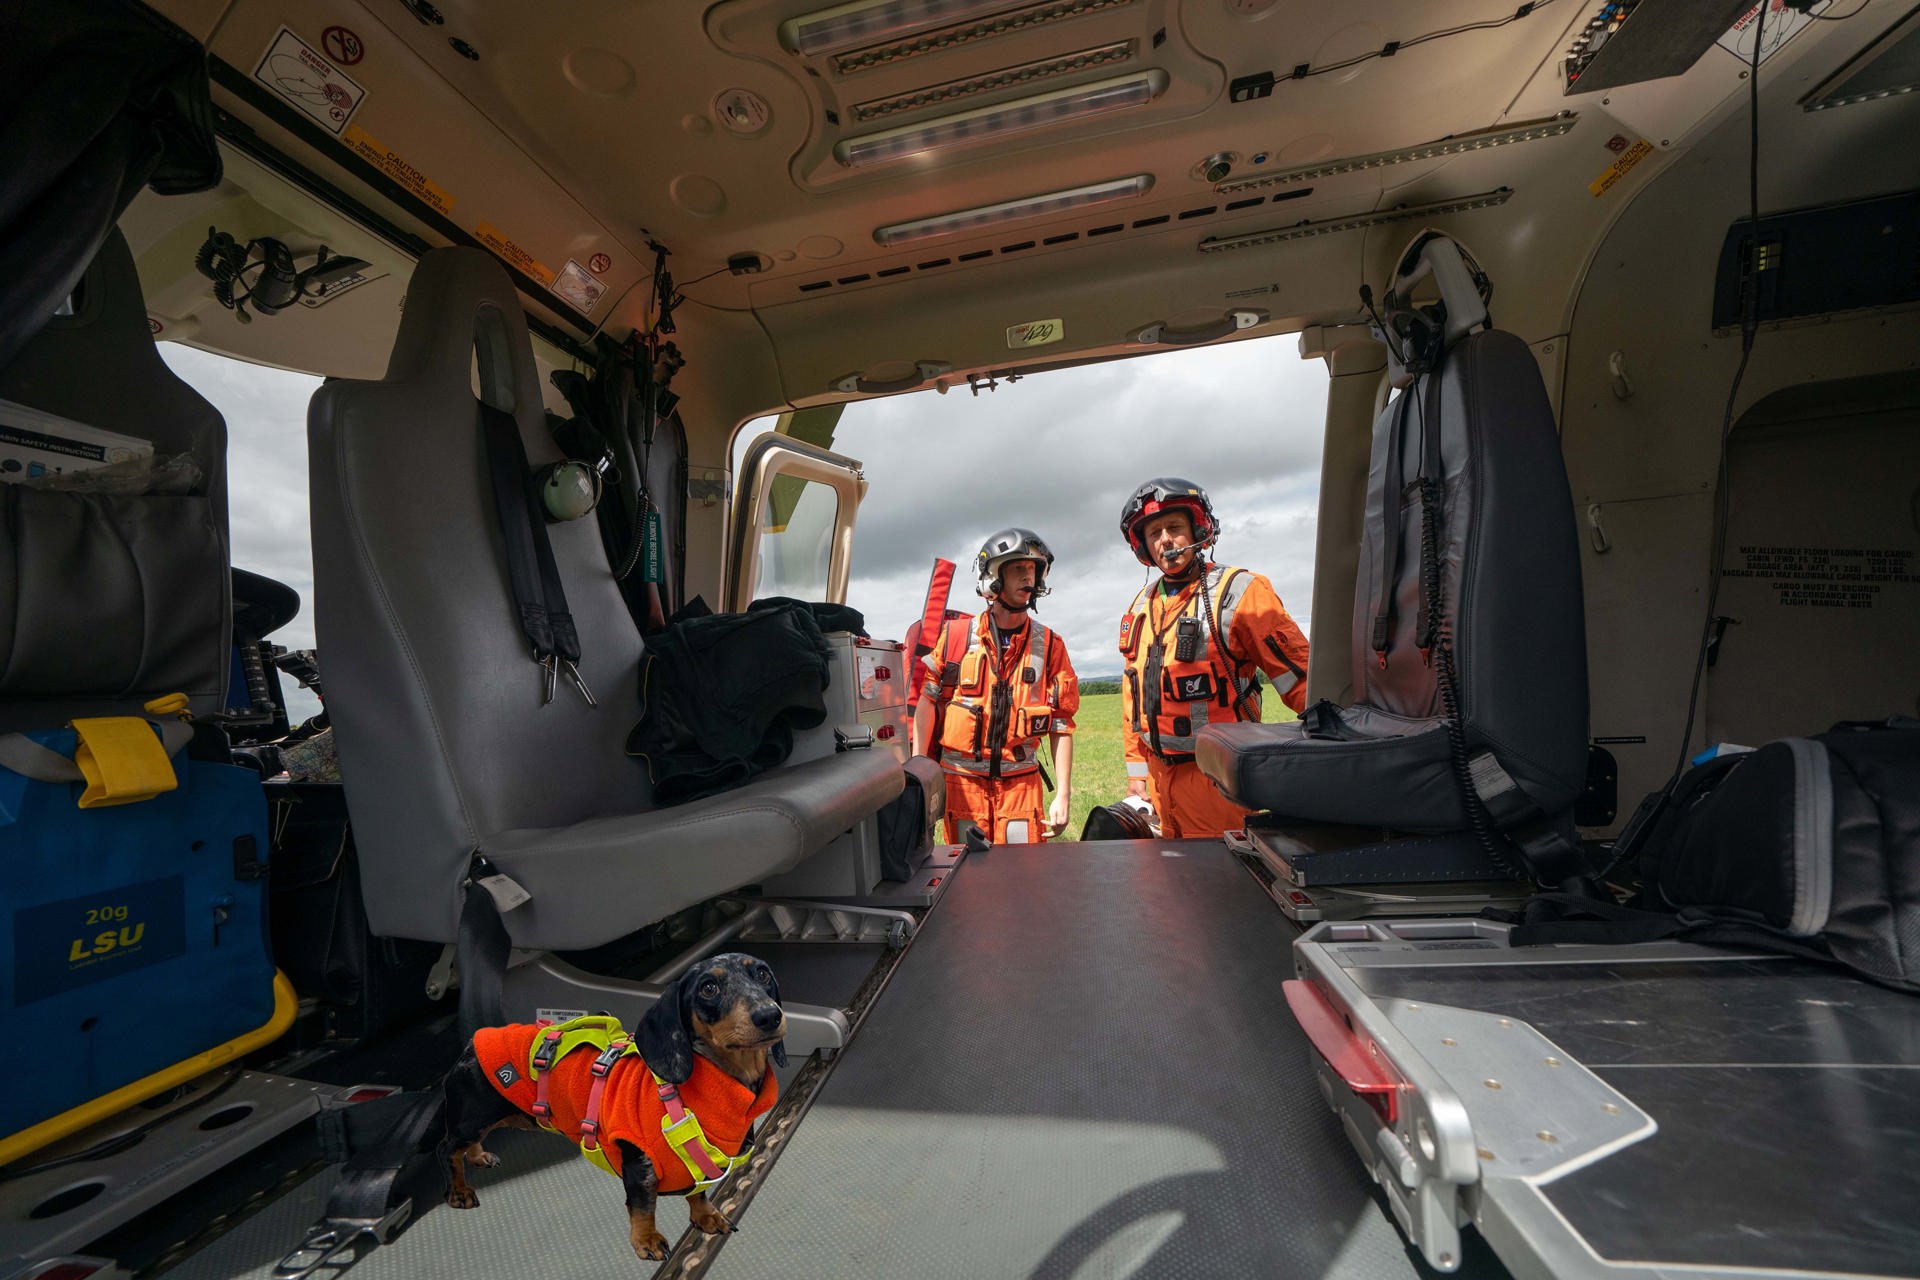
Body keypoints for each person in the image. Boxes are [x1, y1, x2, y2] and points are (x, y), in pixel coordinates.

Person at [1117, 478, 1310, 839]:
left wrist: (1341, 747)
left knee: (1222, 888)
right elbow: (1134, 695)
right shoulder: (1140, 606)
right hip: (1159, 783)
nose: (1165, 540)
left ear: (1199, 529)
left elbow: (1301, 678)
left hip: (1218, 781)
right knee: (1169, 885)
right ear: (1143, 545)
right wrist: (1136, 774)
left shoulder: (1241, 592)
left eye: (1174, 527)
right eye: (1154, 532)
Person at [911, 529, 1079, 844]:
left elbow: (1061, 724)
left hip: (1021, 786)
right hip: (962, 786)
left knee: (1023, 876)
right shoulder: (956, 637)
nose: (1028, 576)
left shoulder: (1051, 646)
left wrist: (1064, 795)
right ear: (992, 577)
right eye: (1018, 568)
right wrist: (921, 772)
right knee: (966, 874)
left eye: (1033, 569)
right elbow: (928, 701)